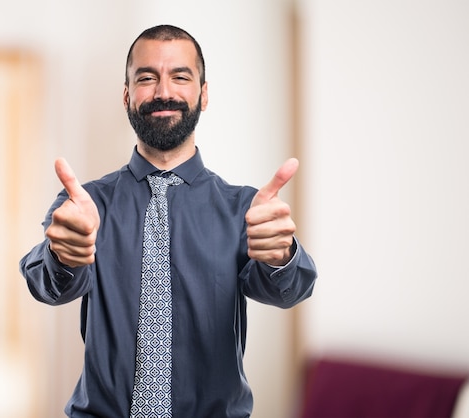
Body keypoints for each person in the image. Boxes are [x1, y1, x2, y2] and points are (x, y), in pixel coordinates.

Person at [20, 24, 317, 418]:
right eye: (147, 78)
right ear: (127, 96)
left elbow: (289, 291)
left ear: (203, 94)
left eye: (180, 76)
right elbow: (48, 287)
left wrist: (282, 257)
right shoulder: (85, 204)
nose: (163, 92)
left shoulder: (243, 208)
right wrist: (63, 257)